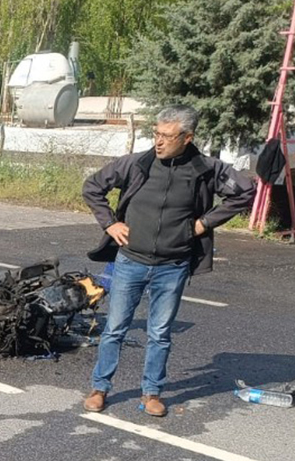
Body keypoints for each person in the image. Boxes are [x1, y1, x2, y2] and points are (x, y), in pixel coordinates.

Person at [81, 104, 254, 417]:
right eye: (156, 134)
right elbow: (93, 187)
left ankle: (152, 393)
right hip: (130, 261)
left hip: (172, 266)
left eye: (167, 136)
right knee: (115, 329)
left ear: (187, 137)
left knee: (159, 334)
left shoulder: (205, 169)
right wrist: (110, 223)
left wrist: (204, 223)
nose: (158, 141)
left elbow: (244, 191)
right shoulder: (136, 164)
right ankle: (99, 388)